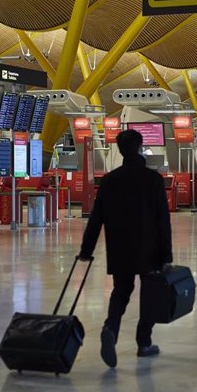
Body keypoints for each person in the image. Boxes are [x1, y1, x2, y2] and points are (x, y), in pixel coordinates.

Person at [78, 129, 173, 368]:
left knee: (121, 291)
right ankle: (144, 342)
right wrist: (166, 255)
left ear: (119, 150)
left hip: (119, 246)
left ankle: (111, 328)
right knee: (149, 294)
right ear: (140, 148)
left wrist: (86, 249)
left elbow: (96, 217)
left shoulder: (110, 180)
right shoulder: (152, 180)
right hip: (149, 247)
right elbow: (163, 220)